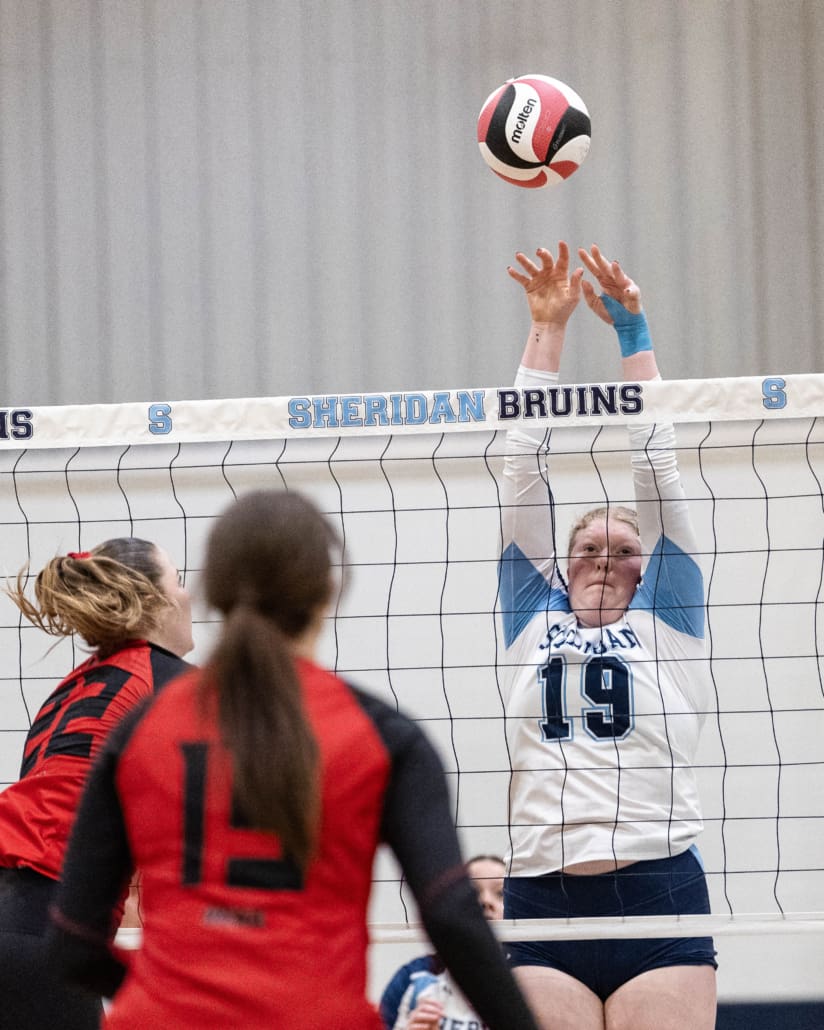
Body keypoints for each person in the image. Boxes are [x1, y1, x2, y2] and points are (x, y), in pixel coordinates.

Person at [49, 490, 540, 1030]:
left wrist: (174, 994)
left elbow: (72, 944)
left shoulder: (138, 731)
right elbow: (452, 917)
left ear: (213, 593)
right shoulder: (383, 736)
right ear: (328, 591)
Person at [499, 242, 717, 1030]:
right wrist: (545, 331)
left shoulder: (670, 621)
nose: (602, 558)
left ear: (647, 568)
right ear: (560, 567)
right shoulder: (532, 618)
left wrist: (635, 334)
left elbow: (658, 472)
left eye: (623, 550)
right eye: (585, 547)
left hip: (657, 892)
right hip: (539, 892)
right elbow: (522, 469)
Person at [0, 539, 194, 1029]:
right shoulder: (172, 685)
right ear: (154, 599)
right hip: (40, 932)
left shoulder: (67, 691)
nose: (188, 593)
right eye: (178, 579)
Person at [379, 854, 506, 1029]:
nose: (485, 900)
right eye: (472, 892)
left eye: (501, 893)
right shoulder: (414, 976)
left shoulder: (530, 982)